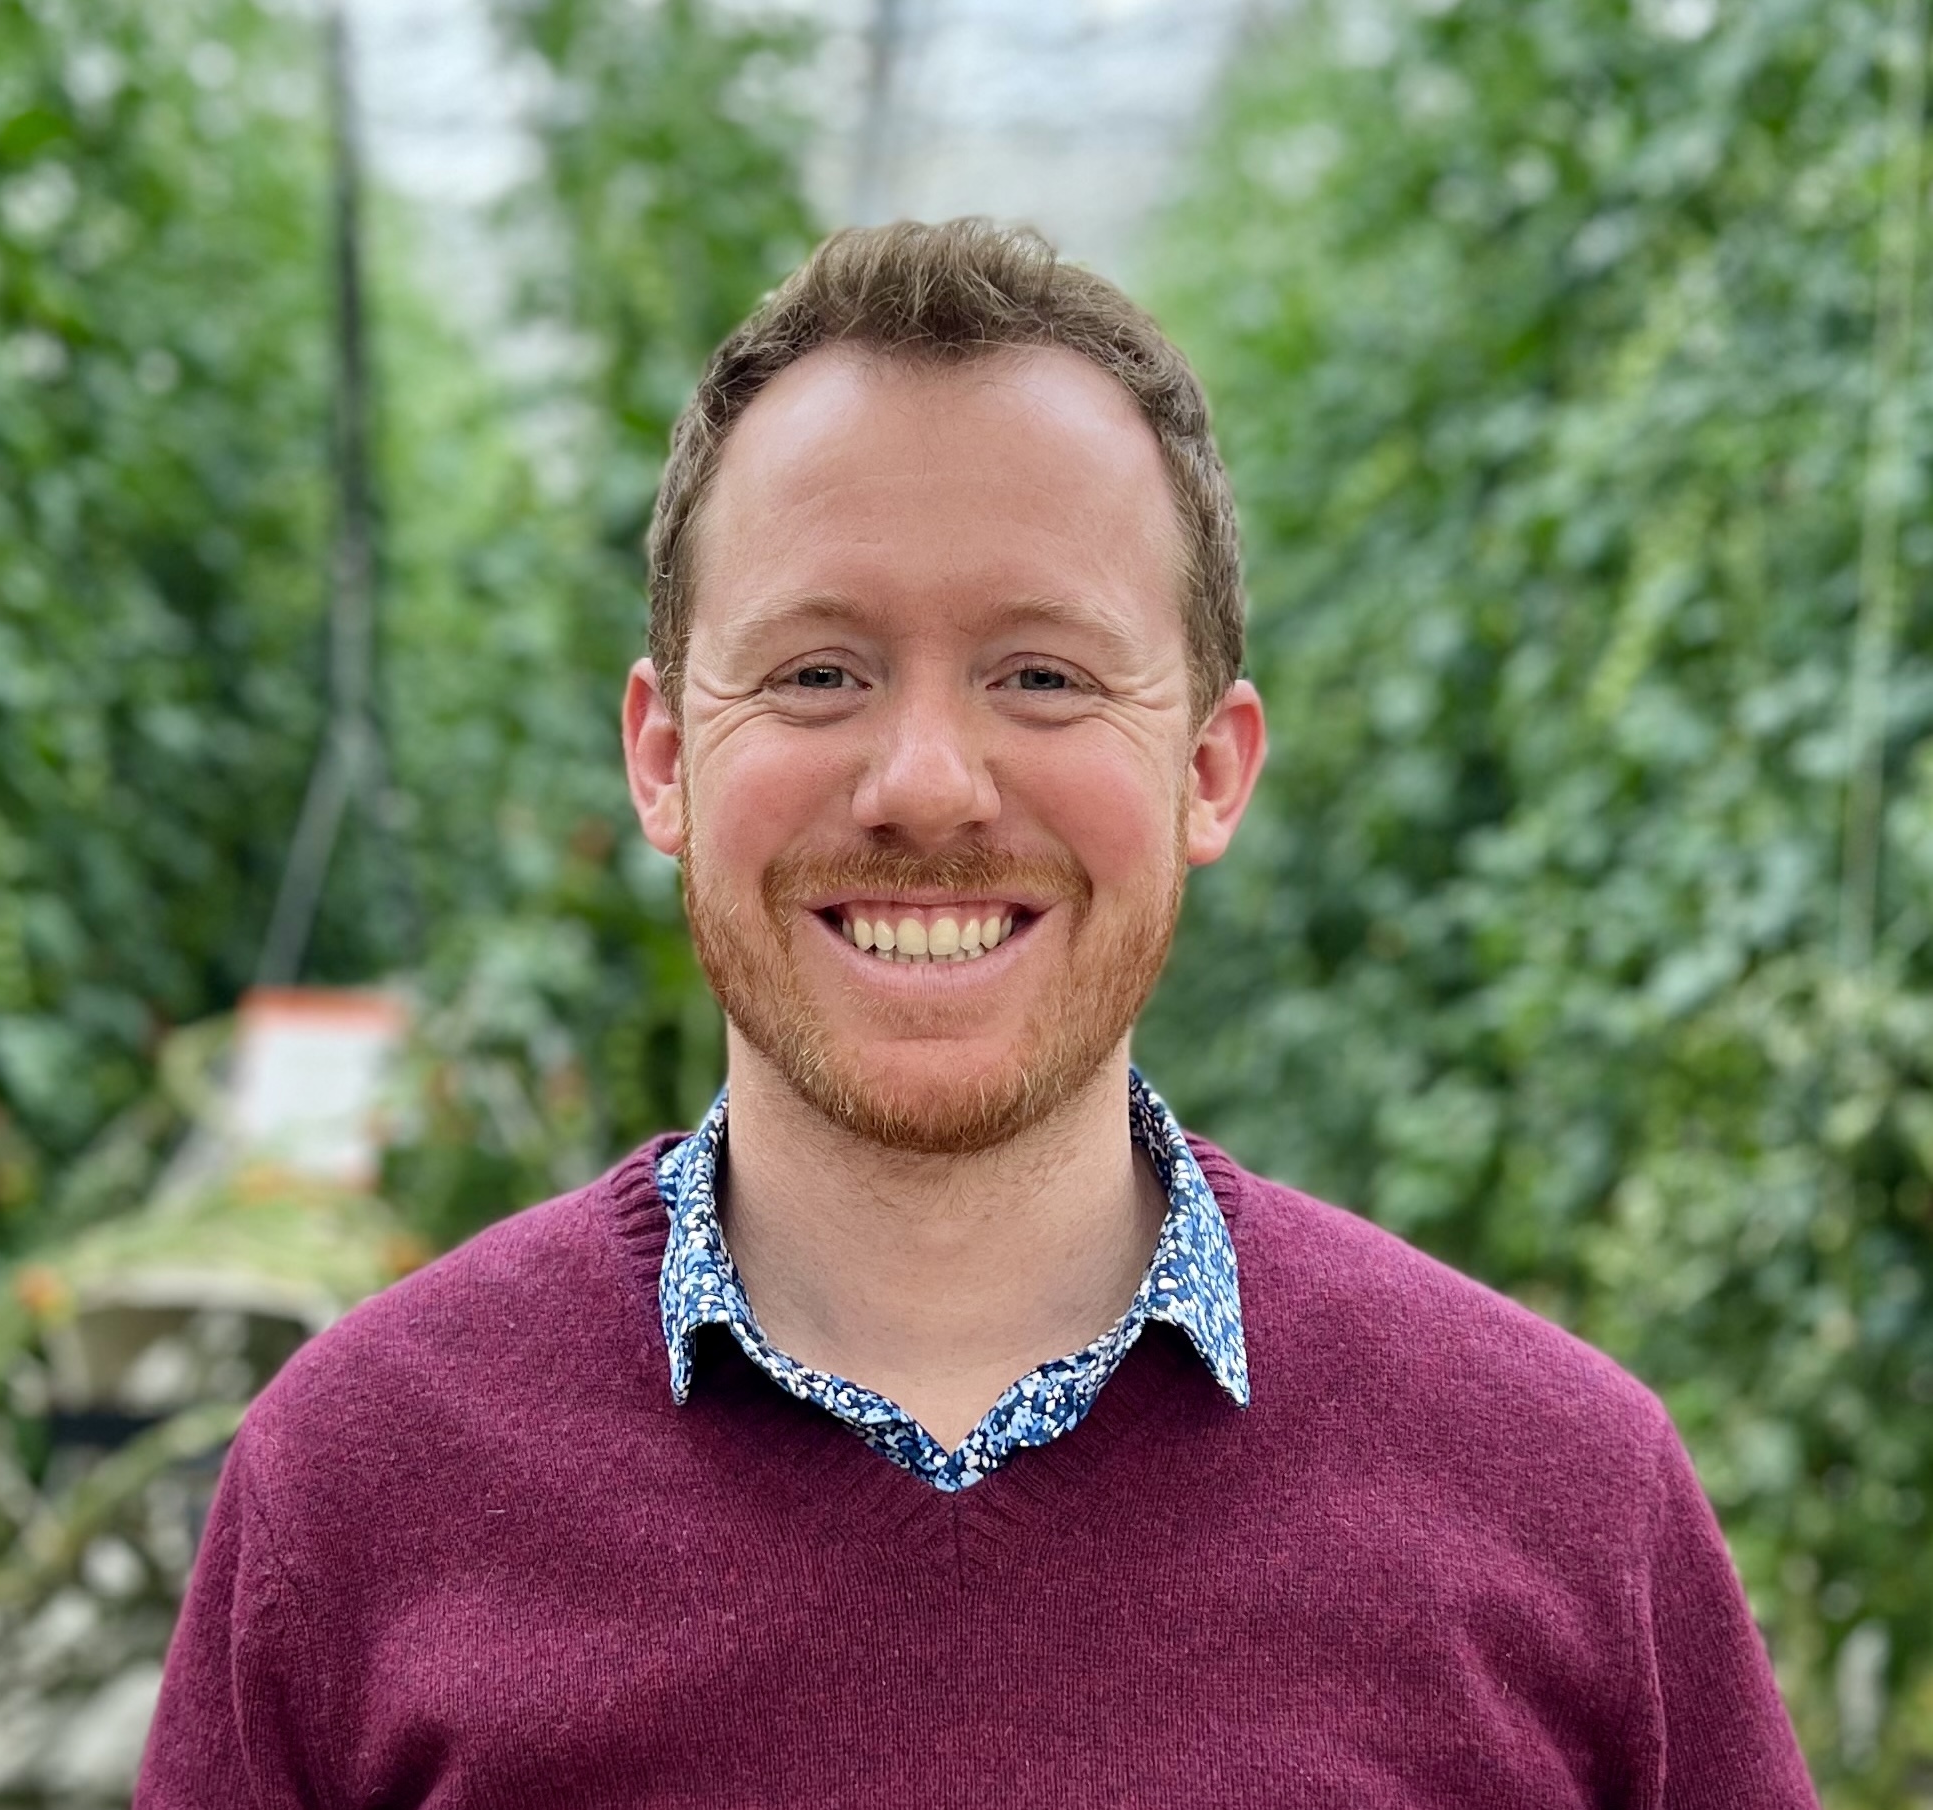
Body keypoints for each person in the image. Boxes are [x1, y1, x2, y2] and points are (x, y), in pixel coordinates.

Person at [136, 219, 1818, 1808]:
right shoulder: (352, 1494)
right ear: (662, 757)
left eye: (1043, 675)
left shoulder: (1570, 1501)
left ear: (1210, 769)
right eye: (819, 672)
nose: (928, 781)